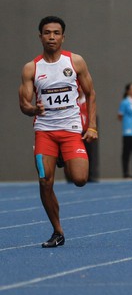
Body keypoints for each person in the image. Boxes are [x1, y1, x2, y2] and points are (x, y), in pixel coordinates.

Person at [18, 16, 98, 248]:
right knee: (45, 181)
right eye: (47, 33)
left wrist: (91, 126)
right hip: (45, 132)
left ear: (63, 36)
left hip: (71, 129)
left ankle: (64, 156)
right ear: (40, 36)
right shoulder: (31, 68)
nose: (51, 37)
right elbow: (23, 104)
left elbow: (91, 93)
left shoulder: (75, 62)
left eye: (56, 33)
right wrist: (32, 108)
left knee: (80, 179)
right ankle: (57, 231)